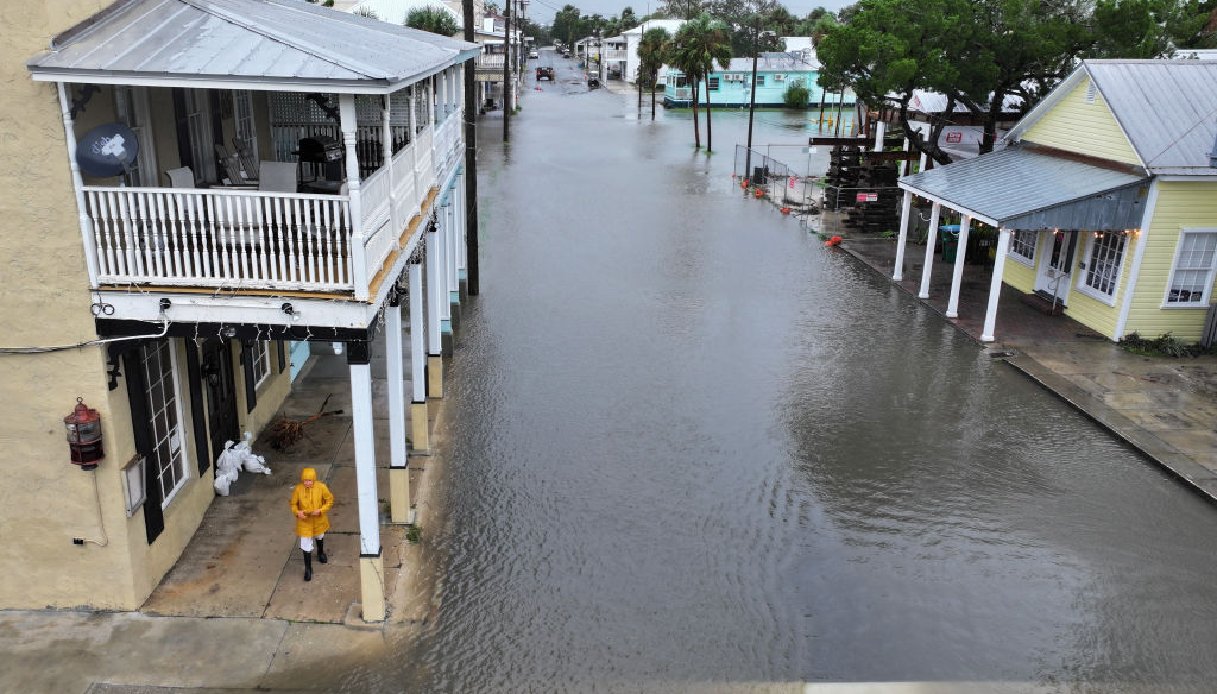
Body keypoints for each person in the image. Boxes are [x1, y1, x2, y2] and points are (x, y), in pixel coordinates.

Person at [290, 467, 333, 581]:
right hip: (304, 521)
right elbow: (293, 504)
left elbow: (329, 500)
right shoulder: (298, 490)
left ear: (314, 479)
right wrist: (297, 512)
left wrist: (321, 510)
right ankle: (308, 568)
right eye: (305, 480)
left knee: (319, 536)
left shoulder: (321, 487)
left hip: (318, 519)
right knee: (305, 543)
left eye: (309, 480)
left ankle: (320, 552)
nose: (307, 483)